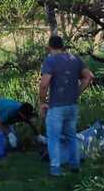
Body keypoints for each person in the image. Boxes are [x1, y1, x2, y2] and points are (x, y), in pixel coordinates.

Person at [39, 35, 94, 176]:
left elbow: (44, 84)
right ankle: (75, 165)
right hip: (72, 105)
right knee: (71, 135)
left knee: (53, 137)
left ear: (49, 47)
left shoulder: (50, 61)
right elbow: (89, 76)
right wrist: (77, 92)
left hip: (56, 106)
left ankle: (55, 169)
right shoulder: (74, 59)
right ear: (63, 46)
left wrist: (42, 102)